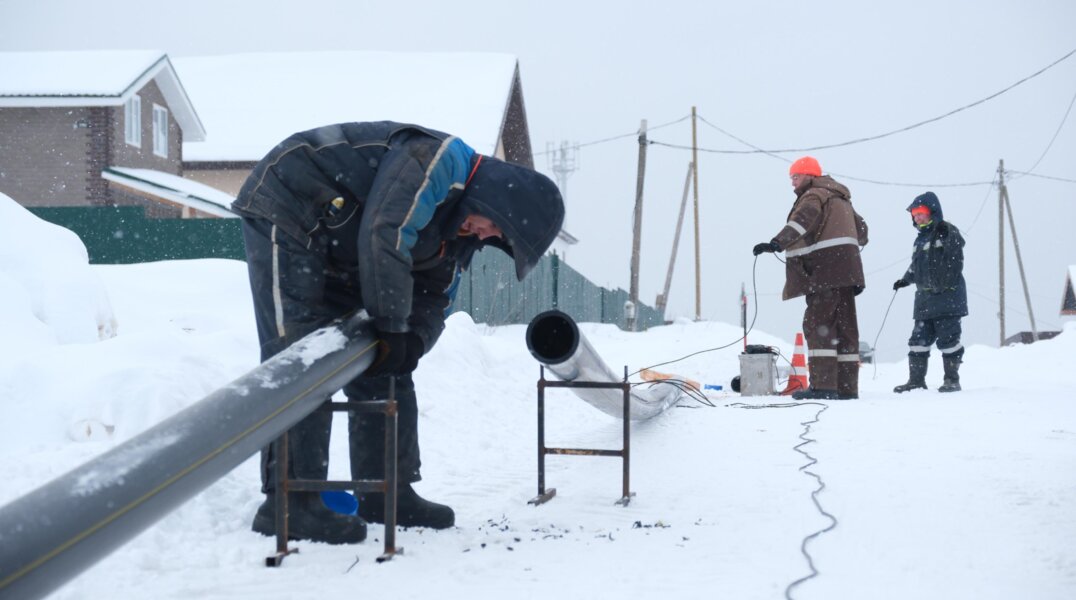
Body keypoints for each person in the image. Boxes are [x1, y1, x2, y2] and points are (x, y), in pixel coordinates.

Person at [233, 121, 565, 544]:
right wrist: (392, 324)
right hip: (292, 208)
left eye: (497, 238)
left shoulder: (460, 234)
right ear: (501, 201)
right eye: (498, 227)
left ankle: (385, 492)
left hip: (345, 246)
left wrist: (411, 339)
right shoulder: (439, 161)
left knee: (385, 358)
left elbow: (435, 297)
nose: (489, 236)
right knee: (298, 356)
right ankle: (289, 502)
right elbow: (386, 231)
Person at [753, 156, 869, 400]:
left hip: (824, 272)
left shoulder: (813, 195)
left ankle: (823, 386)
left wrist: (776, 243)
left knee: (819, 325)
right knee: (846, 328)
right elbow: (863, 232)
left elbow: (802, 222)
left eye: (796, 177)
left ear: (810, 176)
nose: (792, 182)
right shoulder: (840, 198)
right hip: (848, 273)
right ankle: (847, 388)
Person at [892, 191, 967, 393]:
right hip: (925, 300)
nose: (917, 217)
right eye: (914, 214)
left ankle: (952, 380)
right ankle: (916, 381)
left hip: (947, 299)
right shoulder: (920, 240)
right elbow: (917, 266)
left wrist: (946, 233)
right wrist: (905, 280)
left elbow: (956, 257)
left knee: (948, 340)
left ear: (932, 212)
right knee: (918, 341)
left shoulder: (947, 232)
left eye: (921, 213)